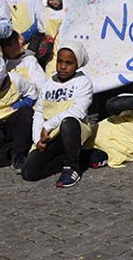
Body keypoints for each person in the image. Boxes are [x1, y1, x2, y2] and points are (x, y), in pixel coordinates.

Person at [22, 43, 93, 187]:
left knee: (68, 122)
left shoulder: (83, 82)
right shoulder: (48, 84)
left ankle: (71, 167)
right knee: (29, 173)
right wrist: (37, 139)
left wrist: (48, 125)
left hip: (73, 129)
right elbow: (39, 112)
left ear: (77, 64)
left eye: (69, 63)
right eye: (60, 61)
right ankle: (72, 157)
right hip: (50, 135)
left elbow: (78, 111)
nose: (63, 66)